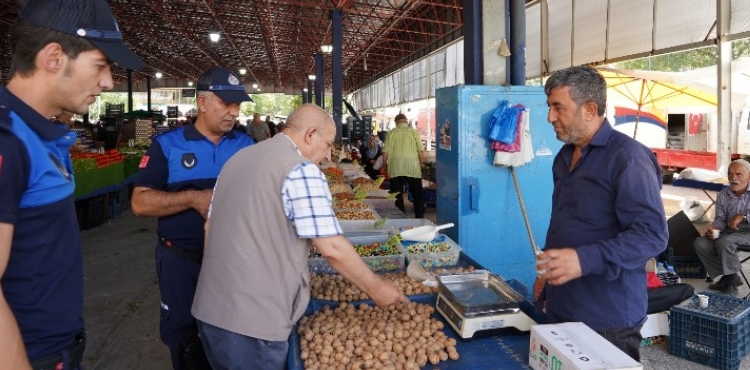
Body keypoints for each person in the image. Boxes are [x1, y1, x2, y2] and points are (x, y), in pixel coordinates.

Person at [192, 104, 407, 370]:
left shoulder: (237, 160)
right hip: (254, 325)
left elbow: (209, 230)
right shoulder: (301, 170)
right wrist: (376, 288)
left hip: (210, 312)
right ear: (310, 134)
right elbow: (331, 247)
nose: (328, 155)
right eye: (328, 144)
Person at [0, 0, 144, 369]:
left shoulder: (41, 134)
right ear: (53, 58)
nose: (108, 82)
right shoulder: (7, 141)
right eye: (99, 66)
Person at [535, 65, 667, 361]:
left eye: (558, 108)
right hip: (562, 304)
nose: (550, 117)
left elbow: (651, 235)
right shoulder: (564, 156)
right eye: (549, 107)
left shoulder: (628, 159)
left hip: (605, 317)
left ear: (589, 109)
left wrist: (583, 259)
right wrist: (547, 271)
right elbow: (566, 222)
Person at [131, 67, 255, 370]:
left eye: (237, 105)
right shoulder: (167, 145)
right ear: (202, 102)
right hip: (180, 262)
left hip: (232, 263)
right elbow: (140, 202)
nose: (233, 112)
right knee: (185, 338)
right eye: (227, 104)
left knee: (233, 335)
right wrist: (192, 197)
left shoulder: (247, 146)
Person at [693, 159, 750, 295]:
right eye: (730, 174)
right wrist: (715, 228)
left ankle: (730, 284)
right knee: (700, 243)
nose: (733, 178)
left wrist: (744, 216)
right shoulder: (724, 194)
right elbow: (720, 219)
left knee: (725, 242)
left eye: (738, 174)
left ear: (749, 176)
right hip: (730, 232)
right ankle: (731, 276)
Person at [383, 113, 426, 218]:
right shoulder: (413, 132)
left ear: (396, 122)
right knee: (417, 194)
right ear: (406, 121)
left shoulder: (391, 133)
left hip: (395, 167)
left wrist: (385, 166)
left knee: (397, 195)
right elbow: (421, 152)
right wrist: (421, 165)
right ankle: (419, 218)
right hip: (412, 167)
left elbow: (385, 152)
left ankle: (401, 217)